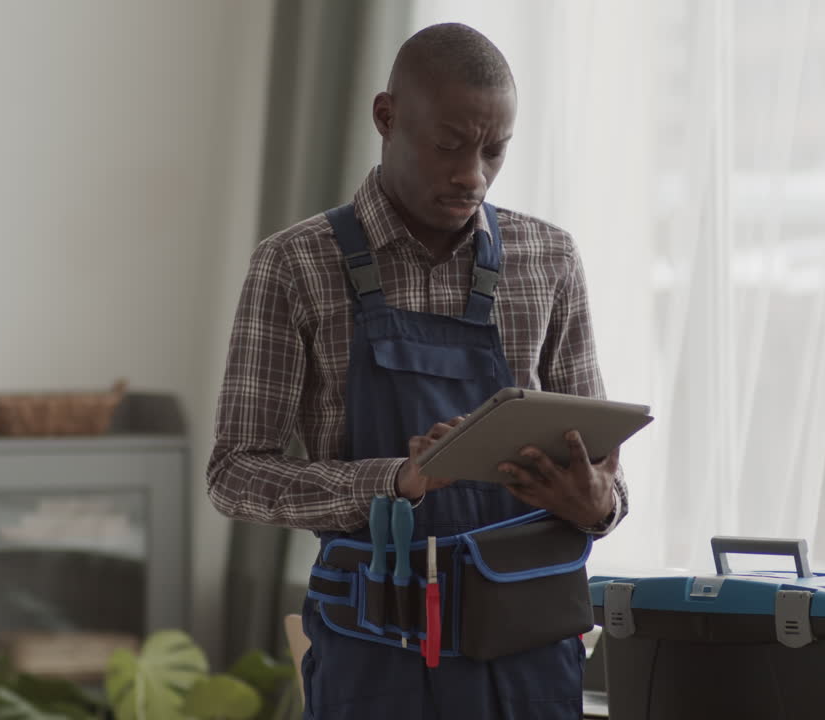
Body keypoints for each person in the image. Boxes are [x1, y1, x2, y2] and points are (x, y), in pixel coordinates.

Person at [207, 22, 627, 719]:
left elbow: (605, 465)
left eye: (495, 151)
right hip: (376, 660)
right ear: (386, 116)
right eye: (450, 146)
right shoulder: (295, 265)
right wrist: (391, 483)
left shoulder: (548, 259)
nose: (474, 175)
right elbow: (233, 474)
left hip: (529, 660)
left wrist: (601, 506)